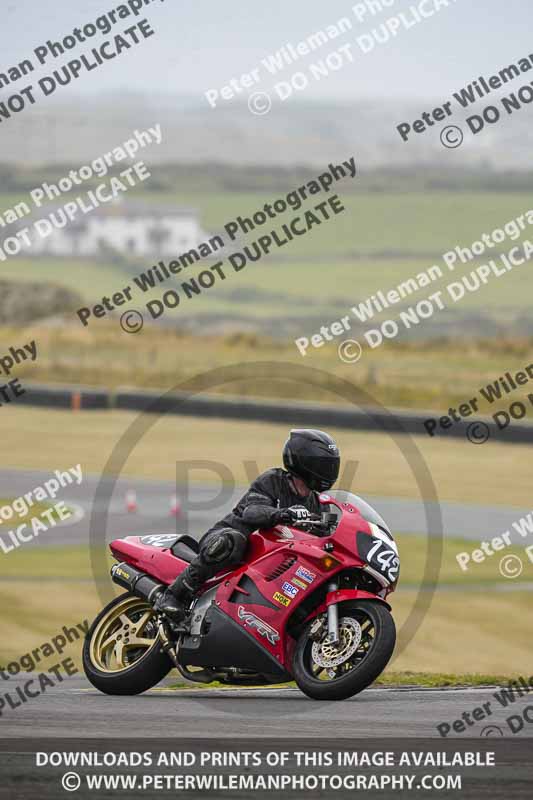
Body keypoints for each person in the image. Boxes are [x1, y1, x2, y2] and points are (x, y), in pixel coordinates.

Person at [156, 428, 340, 623]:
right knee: (232, 541)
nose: (329, 470)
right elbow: (251, 511)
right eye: (324, 464)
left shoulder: (318, 503)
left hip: (267, 562)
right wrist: (283, 514)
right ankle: (174, 595)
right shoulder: (273, 481)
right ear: (305, 462)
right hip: (226, 542)